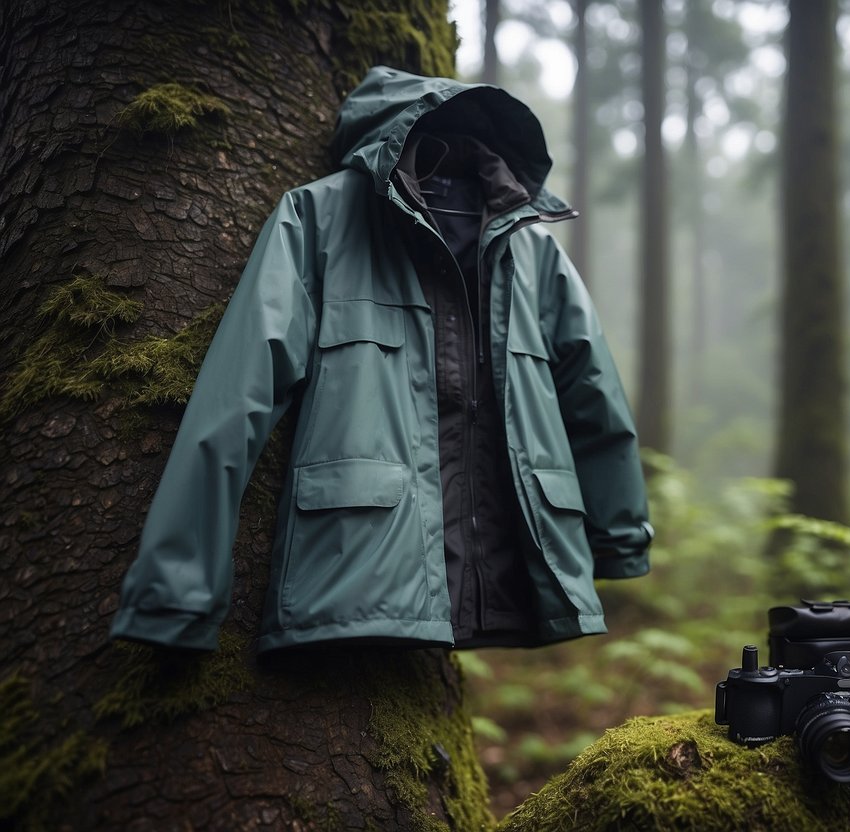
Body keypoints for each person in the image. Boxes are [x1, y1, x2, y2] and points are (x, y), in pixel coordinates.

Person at [110, 66, 652, 653]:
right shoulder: (319, 220)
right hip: (354, 570)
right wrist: (173, 596)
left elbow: (593, 399)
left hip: (514, 565)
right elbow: (237, 396)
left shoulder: (535, 254)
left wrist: (618, 538)